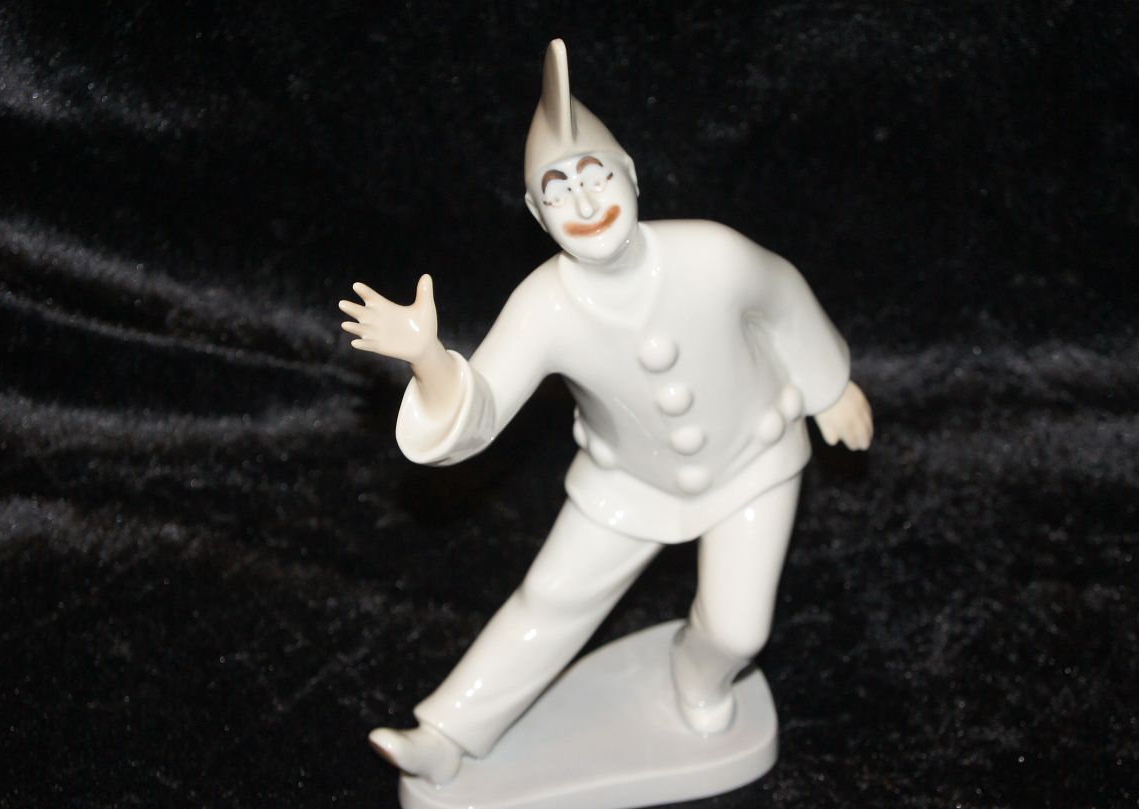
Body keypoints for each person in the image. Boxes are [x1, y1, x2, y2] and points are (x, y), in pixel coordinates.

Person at [339, 39, 873, 784]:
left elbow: (783, 298)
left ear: (631, 175)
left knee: (738, 630)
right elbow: (482, 408)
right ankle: (447, 732)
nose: (586, 204)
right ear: (537, 215)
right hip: (627, 482)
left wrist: (829, 387)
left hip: (754, 460)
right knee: (550, 598)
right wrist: (428, 358)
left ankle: (698, 677)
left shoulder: (713, 254)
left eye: (596, 178)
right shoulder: (543, 306)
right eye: (559, 192)